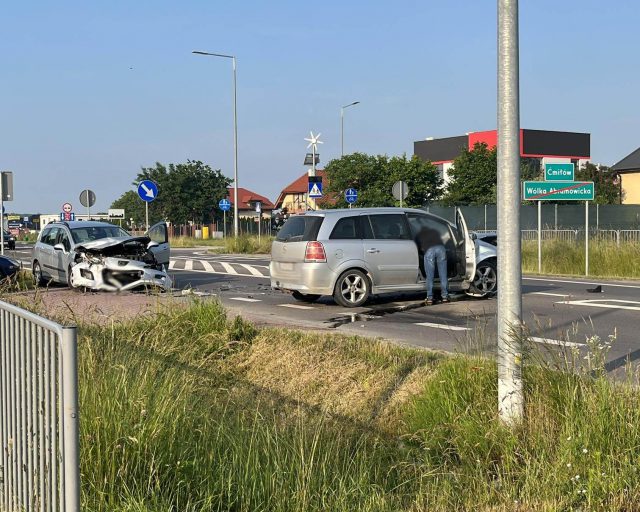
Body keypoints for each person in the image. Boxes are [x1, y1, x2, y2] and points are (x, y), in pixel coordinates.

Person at [415, 225, 449, 305]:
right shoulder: (435, 231)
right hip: (441, 249)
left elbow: (419, 248)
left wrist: (422, 252)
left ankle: (430, 297)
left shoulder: (418, 234)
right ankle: (445, 297)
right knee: (443, 275)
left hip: (429, 250)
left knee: (430, 276)